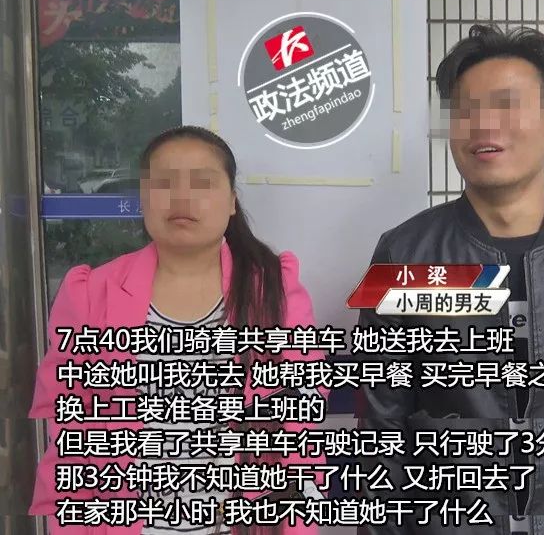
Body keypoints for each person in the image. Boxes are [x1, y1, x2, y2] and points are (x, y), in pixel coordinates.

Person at [355, 25, 544, 535]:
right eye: (466, 109)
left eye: (506, 104)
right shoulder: (404, 254)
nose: (484, 124)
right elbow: (380, 425)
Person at [29, 126, 327, 535]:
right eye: (165, 183)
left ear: (231, 202)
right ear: (143, 198)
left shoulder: (275, 292)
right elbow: (69, 443)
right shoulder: (89, 295)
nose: (182, 198)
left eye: (202, 183)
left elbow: (298, 432)